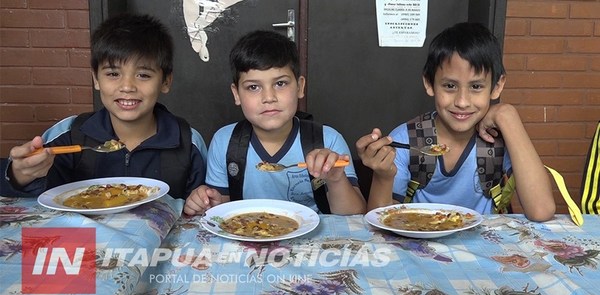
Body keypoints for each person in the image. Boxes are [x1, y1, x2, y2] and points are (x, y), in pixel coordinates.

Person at [356, 22, 555, 222]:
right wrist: (383, 176)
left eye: (476, 86)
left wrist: (507, 114)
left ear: (497, 86)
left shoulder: (500, 139)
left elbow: (541, 210)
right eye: (450, 86)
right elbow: (379, 222)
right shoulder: (406, 139)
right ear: (429, 83)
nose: (462, 102)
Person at [4, 13, 207, 200]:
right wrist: (20, 175)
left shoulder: (188, 143)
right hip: (85, 239)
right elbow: (34, 201)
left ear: (165, 82)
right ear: (96, 79)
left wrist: (200, 202)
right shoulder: (69, 134)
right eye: (113, 74)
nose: (127, 87)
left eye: (143, 75)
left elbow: (199, 210)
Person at [184, 30, 366, 215]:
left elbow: (354, 215)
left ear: (300, 87)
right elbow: (222, 204)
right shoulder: (225, 141)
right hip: (248, 235)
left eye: (280, 84)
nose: (269, 97)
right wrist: (208, 201)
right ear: (236, 94)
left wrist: (335, 179)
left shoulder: (327, 140)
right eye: (253, 87)